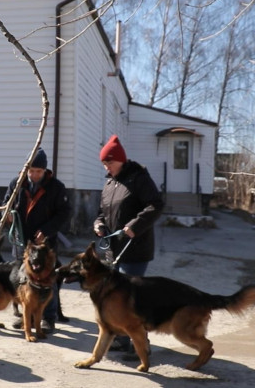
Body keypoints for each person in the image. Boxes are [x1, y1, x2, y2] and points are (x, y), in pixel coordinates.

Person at [93, 134, 164, 354]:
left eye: (110, 163)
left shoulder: (139, 177)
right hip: (112, 250)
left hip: (135, 249)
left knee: (134, 300)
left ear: (121, 160)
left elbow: (156, 204)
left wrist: (135, 224)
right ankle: (121, 339)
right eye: (104, 164)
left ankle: (141, 345)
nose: (107, 167)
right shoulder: (110, 182)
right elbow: (101, 212)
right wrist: (99, 224)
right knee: (116, 299)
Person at [3, 148, 71, 334]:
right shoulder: (16, 184)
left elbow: (64, 212)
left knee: (47, 278)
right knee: (20, 277)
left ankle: (49, 318)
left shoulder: (56, 187)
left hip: (44, 243)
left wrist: (47, 231)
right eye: (31, 170)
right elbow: (7, 203)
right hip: (21, 239)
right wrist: (7, 214)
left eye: (38, 171)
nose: (34, 175)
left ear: (45, 171)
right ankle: (24, 315)